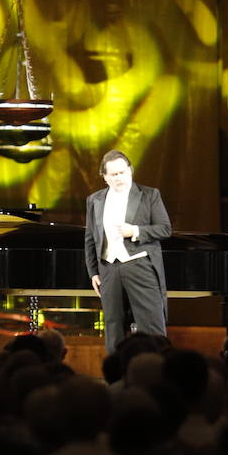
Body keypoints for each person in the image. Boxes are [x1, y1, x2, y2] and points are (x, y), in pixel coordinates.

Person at [84, 150, 171, 355]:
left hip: (139, 265)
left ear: (130, 171)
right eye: (113, 174)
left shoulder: (149, 195)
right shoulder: (94, 200)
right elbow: (90, 237)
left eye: (122, 172)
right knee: (114, 327)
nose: (119, 178)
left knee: (151, 325)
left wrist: (136, 231)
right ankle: (117, 376)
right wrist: (93, 272)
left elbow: (165, 229)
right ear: (105, 177)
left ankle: (156, 372)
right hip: (108, 269)